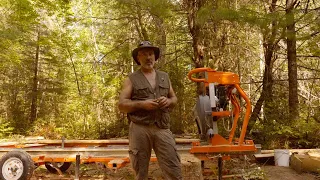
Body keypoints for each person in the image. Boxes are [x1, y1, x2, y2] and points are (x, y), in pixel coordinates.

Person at [118, 41, 182, 180]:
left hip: (162, 128)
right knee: (140, 172)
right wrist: (142, 104)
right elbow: (121, 105)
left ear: (155, 57)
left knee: (174, 169)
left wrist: (169, 101)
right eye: (144, 55)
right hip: (140, 129)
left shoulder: (164, 76)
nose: (148, 58)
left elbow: (174, 98)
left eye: (151, 54)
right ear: (138, 58)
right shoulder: (131, 79)